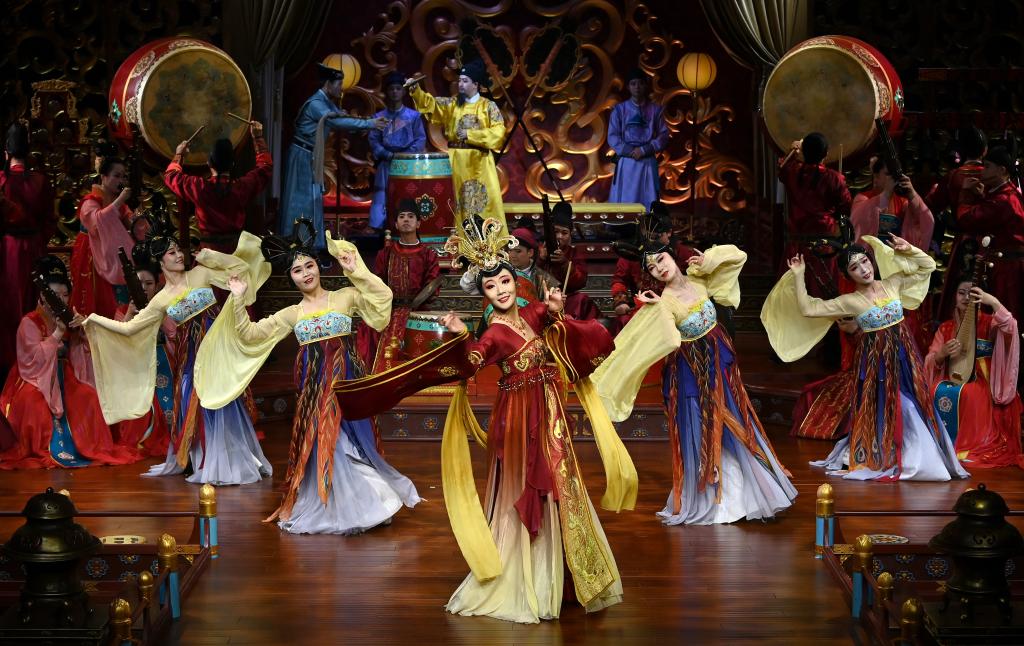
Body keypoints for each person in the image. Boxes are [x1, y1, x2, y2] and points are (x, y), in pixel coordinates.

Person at [434, 216, 633, 623]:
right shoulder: (493, 333)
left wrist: (557, 310)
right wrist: (458, 334)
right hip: (518, 419)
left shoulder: (530, 313)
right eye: (491, 287)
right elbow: (472, 361)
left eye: (505, 281)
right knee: (532, 483)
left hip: (549, 410)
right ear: (483, 294)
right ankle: (530, 577)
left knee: (561, 485)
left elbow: (555, 321)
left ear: (515, 280)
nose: (501, 290)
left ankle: (564, 576)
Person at [207, 227, 421, 534]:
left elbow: (382, 300)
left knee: (354, 440)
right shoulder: (291, 313)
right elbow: (249, 334)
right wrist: (238, 298)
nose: (306, 273)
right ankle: (346, 505)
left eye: (309, 266)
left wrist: (356, 271)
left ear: (319, 267)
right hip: (315, 390)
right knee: (327, 441)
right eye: (297, 270)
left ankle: (372, 500)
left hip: (347, 382)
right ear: (290, 277)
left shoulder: (344, 296)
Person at [594, 243, 796, 524]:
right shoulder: (665, 302)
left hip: (719, 359)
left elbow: (739, 257)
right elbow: (669, 341)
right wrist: (655, 312)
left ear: (673, 256)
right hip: (692, 369)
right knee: (704, 427)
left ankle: (752, 490)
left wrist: (709, 260)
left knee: (735, 421)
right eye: (652, 268)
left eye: (661, 259)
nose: (659, 268)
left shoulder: (699, 279)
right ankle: (716, 499)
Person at [763, 235, 968, 481]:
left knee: (916, 402)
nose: (863, 269)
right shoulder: (850, 301)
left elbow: (928, 267)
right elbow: (809, 308)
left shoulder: (892, 283)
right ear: (848, 275)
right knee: (896, 407)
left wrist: (909, 249)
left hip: (904, 357)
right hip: (876, 364)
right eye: (854, 267)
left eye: (865, 261)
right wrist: (798, 275)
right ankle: (904, 458)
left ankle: (920, 456)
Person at [81, 223, 272, 485]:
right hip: (190, 354)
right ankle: (207, 461)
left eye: (179, 250)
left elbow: (240, 270)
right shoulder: (161, 299)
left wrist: (211, 256)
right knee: (196, 403)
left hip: (216, 345)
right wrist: (94, 321)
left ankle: (234, 460)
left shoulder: (201, 273)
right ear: (161, 261)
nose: (179, 255)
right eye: (171, 253)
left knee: (223, 399)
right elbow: (130, 328)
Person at [0, 257, 140, 469]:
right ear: (44, 295)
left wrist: (82, 331)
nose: (62, 299)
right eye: (55, 295)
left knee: (88, 396)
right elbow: (32, 360)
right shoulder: (30, 321)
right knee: (34, 403)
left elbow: (85, 353)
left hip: (64, 376)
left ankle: (89, 447)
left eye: (65, 295)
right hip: (34, 379)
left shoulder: (70, 316)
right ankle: (44, 449)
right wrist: (57, 333)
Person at [280, 57, 388, 257]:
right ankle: (296, 244)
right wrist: (370, 124)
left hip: (311, 155)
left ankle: (312, 245)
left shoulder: (326, 103)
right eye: (339, 85)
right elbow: (338, 123)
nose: (341, 89)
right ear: (328, 84)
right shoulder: (316, 104)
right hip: (301, 155)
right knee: (302, 201)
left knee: (313, 199)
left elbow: (341, 117)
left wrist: (366, 120)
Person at [925, 282, 1022, 468]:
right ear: (955, 297)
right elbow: (930, 359)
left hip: (983, 380)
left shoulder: (990, 323)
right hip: (953, 376)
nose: (966, 298)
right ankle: (942, 445)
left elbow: (1011, 327)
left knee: (970, 393)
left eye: (972, 294)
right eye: (961, 293)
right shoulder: (946, 328)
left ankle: (969, 446)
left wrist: (993, 302)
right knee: (935, 389)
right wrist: (941, 354)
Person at [408, 59, 507, 233]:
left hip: (480, 162)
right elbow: (432, 105)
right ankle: (458, 239)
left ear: (476, 84)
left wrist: (471, 135)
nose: (460, 84)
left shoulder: (488, 106)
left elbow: (498, 133)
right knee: (456, 200)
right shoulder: (453, 104)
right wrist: (416, 90)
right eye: (459, 80)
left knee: (482, 200)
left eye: (465, 81)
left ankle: (487, 240)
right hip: (456, 160)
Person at [852, 156, 935, 351]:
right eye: (888, 174)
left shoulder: (902, 203)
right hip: (870, 267)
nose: (893, 179)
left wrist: (912, 194)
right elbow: (859, 219)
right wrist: (886, 192)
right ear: (876, 176)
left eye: (895, 175)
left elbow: (926, 222)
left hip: (892, 269)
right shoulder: (863, 198)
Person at [163, 120, 272, 254]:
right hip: (236, 253)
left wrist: (179, 155)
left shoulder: (200, 187)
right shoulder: (242, 187)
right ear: (232, 164)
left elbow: (170, 175)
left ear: (209, 163)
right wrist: (257, 137)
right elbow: (265, 167)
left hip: (209, 254)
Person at [0, 122, 56, 379]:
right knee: (33, 302)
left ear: (6, 151)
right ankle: (34, 358)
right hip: (34, 249)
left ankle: (8, 362)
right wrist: (38, 242)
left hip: (7, 249)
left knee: (8, 304)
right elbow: (50, 221)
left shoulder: (2, 181)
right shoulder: (40, 181)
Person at [361, 198, 441, 372]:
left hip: (417, 312)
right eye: (402, 216)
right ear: (396, 224)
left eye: (411, 216)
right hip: (388, 311)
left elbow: (432, 287)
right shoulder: (385, 254)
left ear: (418, 223)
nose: (406, 220)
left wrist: (414, 306)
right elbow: (377, 284)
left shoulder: (428, 255)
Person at [956, 143, 1024, 336]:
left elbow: (966, 219)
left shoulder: (1004, 200)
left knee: (1003, 319)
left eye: (987, 166)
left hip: (1006, 271)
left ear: (1002, 170)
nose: (982, 170)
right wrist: (982, 196)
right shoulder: (1006, 193)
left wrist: (965, 193)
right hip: (1004, 266)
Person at [777, 133, 853, 298]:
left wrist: (792, 151)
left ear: (804, 152)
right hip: (824, 245)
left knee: (793, 294)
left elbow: (783, 166)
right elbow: (845, 208)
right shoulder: (835, 178)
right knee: (823, 293)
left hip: (797, 244)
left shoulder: (792, 172)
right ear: (826, 154)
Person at [111, 258, 173, 457]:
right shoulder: (122, 310)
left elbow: (175, 335)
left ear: (157, 286)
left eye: (149, 283)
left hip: (164, 363)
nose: (144, 288)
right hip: (135, 366)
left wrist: (158, 315)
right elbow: (117, 343)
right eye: (139, 284)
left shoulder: (165, 307)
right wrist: (130, 314)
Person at [927, 127, 987, 320]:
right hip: (989, 243)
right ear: (985, 150)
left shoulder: (953, 177)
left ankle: (953, 327)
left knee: (959, 288)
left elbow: (932, 204)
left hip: (963, 240)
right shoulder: (992, 175)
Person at [69, 156, 135, 319]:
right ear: (103, 177)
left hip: (113, 256)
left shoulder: (118, 203)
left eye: (123, 176)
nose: (121, 181)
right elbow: (97, 223)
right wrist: (120, 201)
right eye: (116, 176)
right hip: (90, 253)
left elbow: (132, 224)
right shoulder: (90, 201)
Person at [610, 202, 695, 325]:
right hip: (644, 309)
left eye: (656, 238)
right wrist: (621, 301)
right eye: (647, 237)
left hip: (676, 309)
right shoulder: (634, 254)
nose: (650, 242)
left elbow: (697, 275)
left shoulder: (681, 252)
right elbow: (619, 280)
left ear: (669, 233)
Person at [368, 71, 427, 230]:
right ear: (387, 91)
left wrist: (404, 155)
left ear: (403, 91)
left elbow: (420, 139)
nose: (395, 92)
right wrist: (387, 154)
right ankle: (380, 229)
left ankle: (408, 228)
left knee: (406, 195)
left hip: (406, 164)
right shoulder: (379, 117)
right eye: (391, 89)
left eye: (398, 88)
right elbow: (373, 139)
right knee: (382, 195)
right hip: (386, 162)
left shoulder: (413, 116)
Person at [608, 68, 669, 206]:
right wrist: (630, 150)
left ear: (645, 85)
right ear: (628, 87)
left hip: (647, 160)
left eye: (640, 83)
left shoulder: (655, 110)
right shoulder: (619, 110)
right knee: (625, 205)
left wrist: (644, 150)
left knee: (647, 204)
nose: (637, 87)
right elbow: (613, 136)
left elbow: (664, 135)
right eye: (633, 84)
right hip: (627, 161)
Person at [538, 201, 601, 320]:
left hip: (567, 299)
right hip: (541, 298)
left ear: (570, 235)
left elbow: (581, 281)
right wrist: (540, 259)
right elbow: (528, 278)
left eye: (564, 233)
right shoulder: (538, 250)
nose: (559, 236)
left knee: (581, 300)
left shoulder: (574, 253)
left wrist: (565, 263)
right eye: (555, 232)